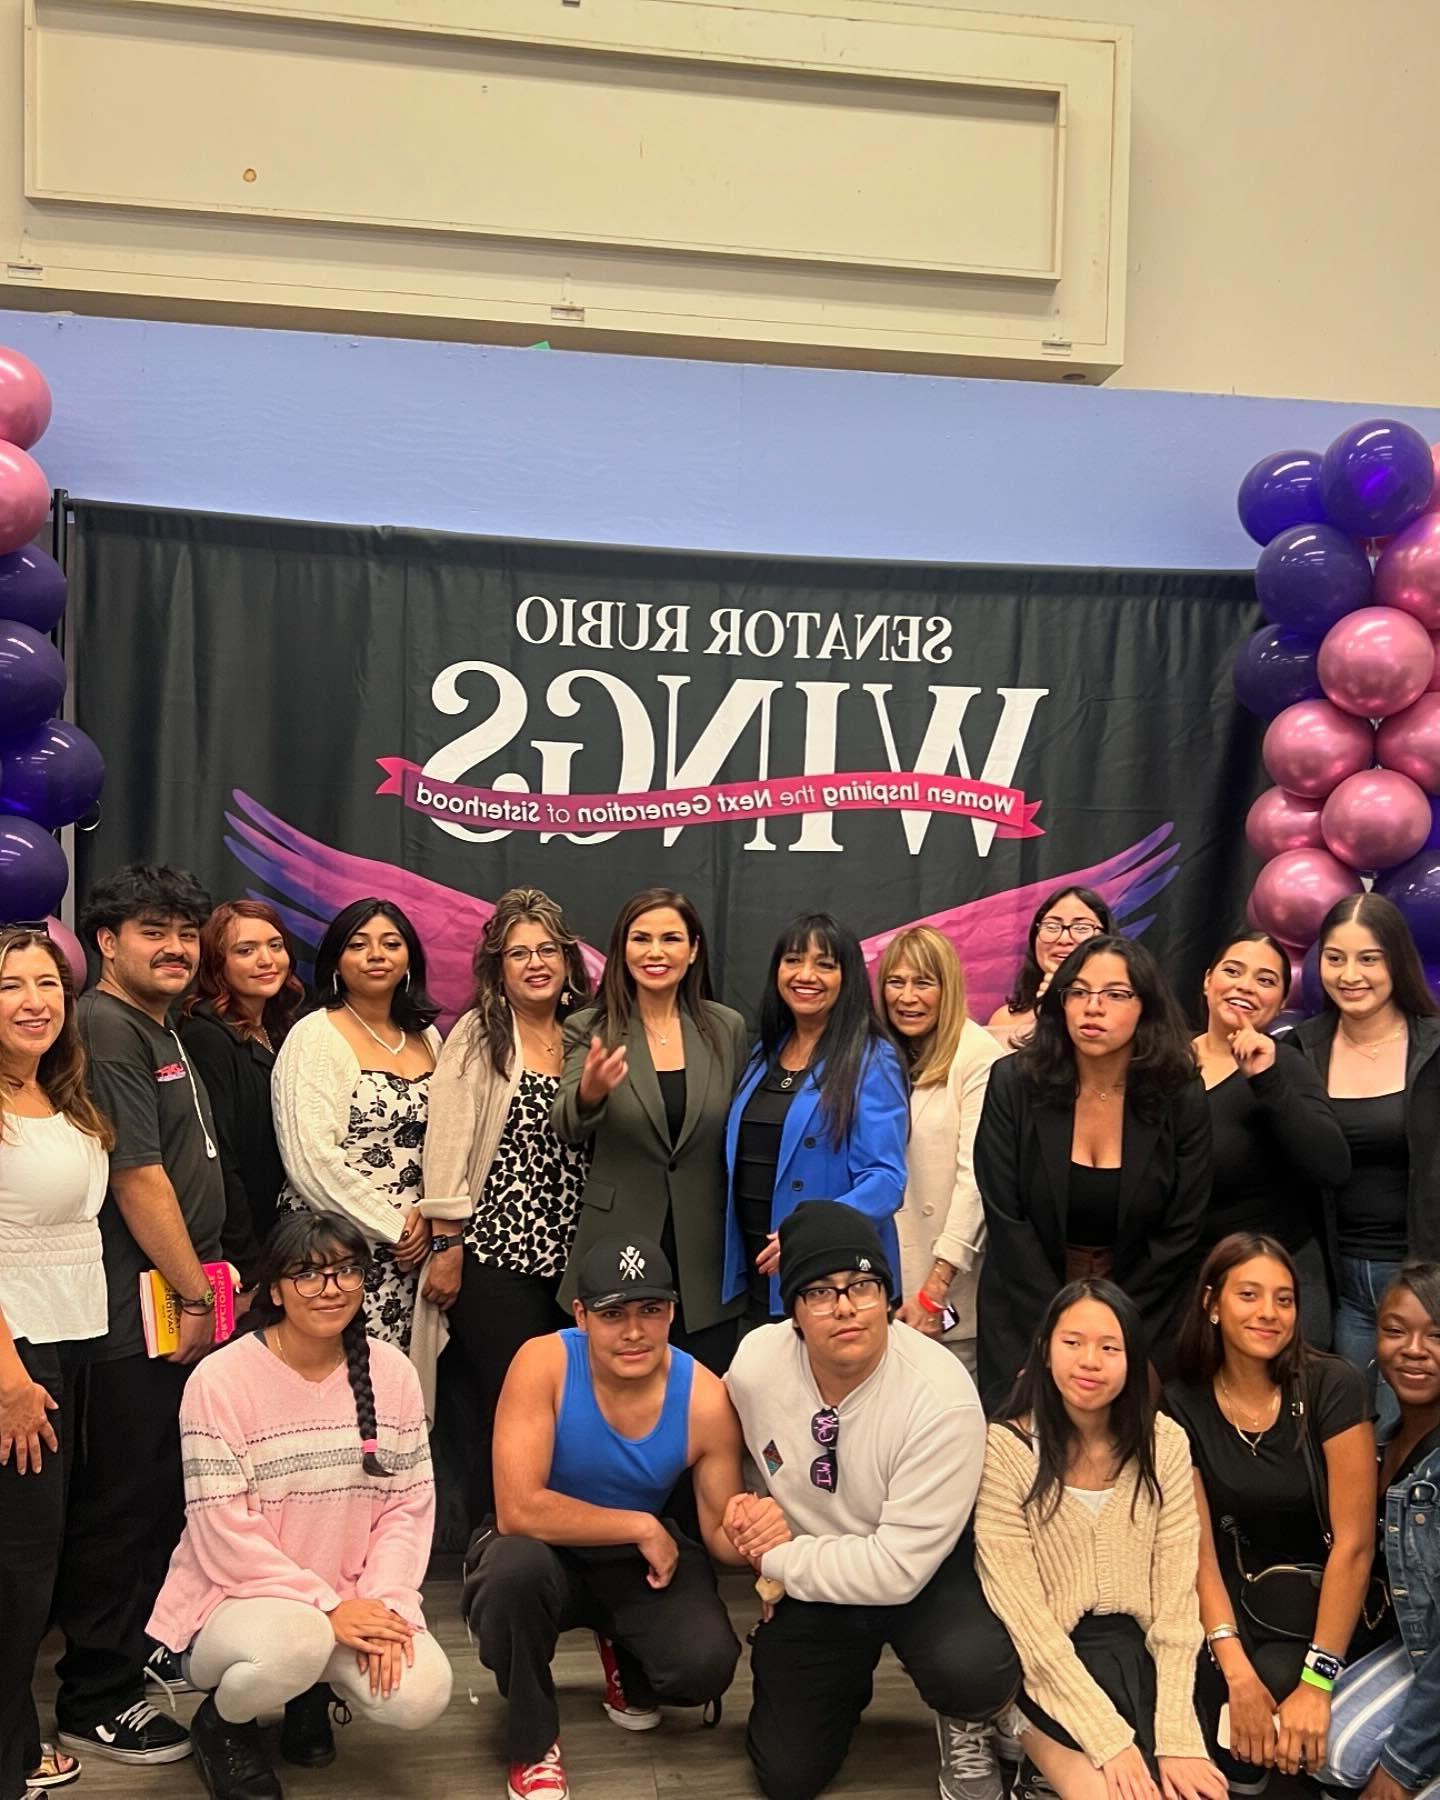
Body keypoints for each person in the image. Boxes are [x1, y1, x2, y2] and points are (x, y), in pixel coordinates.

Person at [147, 1211, 453, 1800]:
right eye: (307, 1274)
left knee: (422, 1693)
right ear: (277, 1289)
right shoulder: (220, 1380)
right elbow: (221, 1530)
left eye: (345, 1271)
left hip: (351, 1600)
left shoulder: (392, 1372)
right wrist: (328, 1605)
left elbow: (407, 1508)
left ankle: (309, 1693)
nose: (330, 1287)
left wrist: (385, 1603)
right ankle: (222, 1726)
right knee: (297, 1639)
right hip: (233, 1603)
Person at [724, 1200, 1020, 1800]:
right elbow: (738, 1450)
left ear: (887, 1295)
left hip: (923, 1569)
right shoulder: (756, 1363)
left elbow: (899, 1569)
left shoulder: (941, 1396)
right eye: (819, 1292)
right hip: (819, 1569)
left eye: (862, 1285)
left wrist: (774, 1565)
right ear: (795, 1314)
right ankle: (840, 1683)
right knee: (786, 1776)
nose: (844, 1308)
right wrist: (747, 1507)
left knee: (974, 1670)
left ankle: (969, 1715)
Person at [48, 864, 224, 1768]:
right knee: (121, 1503)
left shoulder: (158, 1025)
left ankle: (129, 1655)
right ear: (106, 942)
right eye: (152, 930)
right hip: (129, 1316)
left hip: (163, 1307)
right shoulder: (108, 1027)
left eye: (187, 933)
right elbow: (135, 1176)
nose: (176, 948)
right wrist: (193, 1291)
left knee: (157, 1495)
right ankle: (96, 1695)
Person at [464, 1234, 744, 1800]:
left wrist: (765, 1533)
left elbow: (722, 1538)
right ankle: (532, 1744)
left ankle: (626, 1657)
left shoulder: (705, 1397)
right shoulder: (543, 1361)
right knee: (511, 1574)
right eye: (613, 1313)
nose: (634, 1331)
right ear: (581, 1316)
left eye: (650, 1310)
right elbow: (519, 1509)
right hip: (541, 1550)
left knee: (703, 1666)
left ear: (672, 1312)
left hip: (631, 1565)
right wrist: (642, 1525)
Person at [976, 1279, 1226, 1800]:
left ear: (1132, 1360)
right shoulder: (1005, 1450)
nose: (1090, 1361)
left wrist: (1178, 1735)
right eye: (1072, 1343)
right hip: (1050, 1662)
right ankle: (1025, 1744)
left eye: (1110, 1348)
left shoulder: (1165, 1444)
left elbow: (1178, 1603)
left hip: (1147, 1656)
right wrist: (1110, 1739)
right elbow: (1025, 1619)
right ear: (1045, 1351)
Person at [1163, 1233, 1376, 1787]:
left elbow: (1355, 1546)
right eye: (1250, 1295)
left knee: (1283, 1681)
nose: (1269, 1313)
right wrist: (1233, 1668)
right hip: (1234, 1599)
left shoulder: (1333, 1384)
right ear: (1212, 1303)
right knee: (1205, 1684)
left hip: (1324, 1604)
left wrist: (1318, 1681)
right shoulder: (1181, 1400)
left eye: (1284, 1299)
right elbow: (1199, 1553)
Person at [974, 934, 1210, 1410]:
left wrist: (1111, 1330)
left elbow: (1181, 1231)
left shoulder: (1179, 1092)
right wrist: (1058, 1328)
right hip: (1024, 1309)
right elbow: (1006, 1217)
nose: (1092, 1008)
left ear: (1146, 1006)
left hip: (1143, 1310)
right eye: (1077, 992)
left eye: (1115, 994)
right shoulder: (1014, 1083)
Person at [421, 887, 593, 1514]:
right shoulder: (479, 1034)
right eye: (518, 953)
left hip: (578, 1262)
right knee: (508, 1407)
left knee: (576, 1410)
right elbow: (446, 1147)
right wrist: (445, 1244)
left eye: (547, 949)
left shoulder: (590, 1032)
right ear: (497, 966)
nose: (535, 963)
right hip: (497, 1260)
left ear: (568, 960)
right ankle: (502, 1543)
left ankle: (569, 1543)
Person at [0, 928, 111, 1800]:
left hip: (70, 1349)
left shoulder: (60, 1093)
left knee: (36, 1567)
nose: (36, 999)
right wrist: (7, 1377)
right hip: (16, 1360)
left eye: (49, 982)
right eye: (11, 986)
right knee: (17, 1572)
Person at [554, 888, 747, 1371]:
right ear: (622, 948)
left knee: (705, 1390)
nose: (655, 952)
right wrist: (591, 1091)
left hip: (705, 1251)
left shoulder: (727, 1029)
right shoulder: (589, 1026)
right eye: (641, 939)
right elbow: (565, 1125)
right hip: (617, 1237)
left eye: (670, 938)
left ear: (694, 948)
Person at [273, 898, 444, 1357]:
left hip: (417, 1256)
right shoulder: (315, 1035)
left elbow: (449, 1141)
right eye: (358, 944)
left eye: (391, 943)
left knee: (401, 1391)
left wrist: (432, 1221)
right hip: (337, 1255)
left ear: (409, 959)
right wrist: (393, 1227)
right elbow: (310, 1161)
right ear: (335, 961)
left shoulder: (427, 1036)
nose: (376, 955)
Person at [1293, 894, 1440, 1425]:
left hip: (1425, 1280)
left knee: (1417, 1442)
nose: (1350, 974)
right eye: (1335, 958)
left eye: (1368, 958)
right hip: (1334, 1288)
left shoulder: (1434, 1047)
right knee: (1349, 1434)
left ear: (1396, 962)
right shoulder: (1298, 1052)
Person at [723, 912, 909, 1325]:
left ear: (848, 978)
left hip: (831, 1279)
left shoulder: (873, 1059)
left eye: (825, 964)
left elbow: (886, 1180)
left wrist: (810, 1235)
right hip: (756, 1276)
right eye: (793, 960)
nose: (806, 975)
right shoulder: (761, 1056)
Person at [1192, 930, 1348, 1347]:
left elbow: (1332, 1164)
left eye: (1265, 980)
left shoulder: (1287, 1066)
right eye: (1233, 971)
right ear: (1208, 980)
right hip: (1191, 1286)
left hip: (1275, 1287)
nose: (1245, 985)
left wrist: (1266, 1079)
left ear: (1281, 1003)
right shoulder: (1165, 1064)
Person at [1320, 1261, 1440, 1800]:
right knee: (1324, 1747)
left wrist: (1400, 1765)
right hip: (1415, 1642)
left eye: (1437, 1335)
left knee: (1357, 1760)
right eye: (1395, 1331)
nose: (1413, 1349)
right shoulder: (1378, 1443)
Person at [878, 925, 1003, 1373]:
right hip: (881, 1289)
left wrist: (936, 1288)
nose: (907, 997)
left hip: (944, 1298)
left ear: (947, 988)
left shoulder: (977, 1056)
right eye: (896, 981)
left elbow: (977, 1183)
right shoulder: (879, 1052)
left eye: (923, 982)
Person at [180, 900, 304, 1285]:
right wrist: (249, 1262)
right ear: (217, 964)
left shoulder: (286, 1027)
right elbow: (221, 1158)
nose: (266, 960)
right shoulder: (205, 1035)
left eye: (275, 945)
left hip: (287, 1234)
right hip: (243, 1250)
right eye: (245, 950)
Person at [987, 886, 1115, 1050]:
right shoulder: (1004, 1020)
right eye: (1052, 926)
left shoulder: (1119, 1012)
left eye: (1081, 928)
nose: (1064, 939)